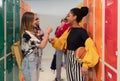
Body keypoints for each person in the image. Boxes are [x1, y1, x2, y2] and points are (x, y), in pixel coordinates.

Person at [66, 7, 99, 81]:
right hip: (69, 58)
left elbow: (91, 48)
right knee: (70, 79)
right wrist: (54, 41)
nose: (67, 17)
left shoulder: (82, 32)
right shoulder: (70, 30)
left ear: (75, 17)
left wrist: (86, 64)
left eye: (68, 15)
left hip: (78, 59)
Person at [20, 12, 52, 81]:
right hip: (29, 61)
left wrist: (47, 37)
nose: (37, 21)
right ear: (30, 21)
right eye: (35, 19)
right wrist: (47, 33)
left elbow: (40, 42)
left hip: (34, 59)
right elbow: (42, 45)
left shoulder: (32, 32)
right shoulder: (27, 35)